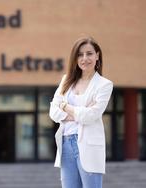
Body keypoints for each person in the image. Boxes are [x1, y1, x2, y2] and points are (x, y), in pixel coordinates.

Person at [49, 36, 113, 188]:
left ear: (97, 55)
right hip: (66, 144)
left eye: (89, 53)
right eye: (80, 54)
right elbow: (53, 111)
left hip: (88, 145)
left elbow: (91, 116)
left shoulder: (104, 85)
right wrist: (79, 113)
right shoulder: (66, 81)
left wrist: (65, 106)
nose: (85, 58)